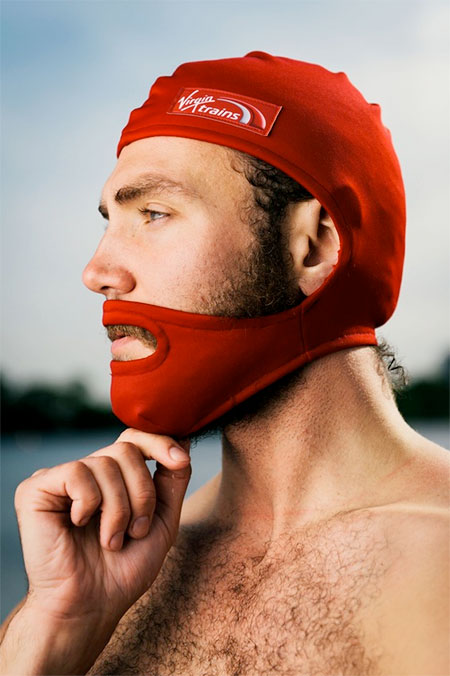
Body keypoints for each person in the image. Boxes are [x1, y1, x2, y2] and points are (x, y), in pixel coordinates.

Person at [1, 52, 448, 676]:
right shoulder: (112, 572)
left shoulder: (441, 563)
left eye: (153, 214)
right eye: (111, 223)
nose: (97, 272)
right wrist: (54, 634)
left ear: (315, 245)